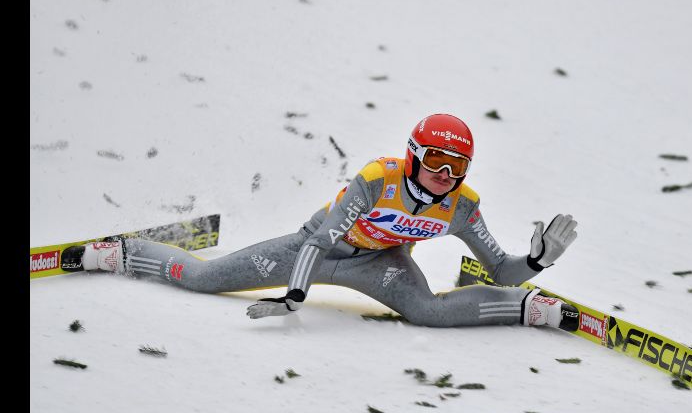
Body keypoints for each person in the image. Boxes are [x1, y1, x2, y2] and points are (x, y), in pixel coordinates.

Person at [62, 114, 579, 330]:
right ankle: (127, 252)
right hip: (314, 252)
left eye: (457, 167)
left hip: (380, 267)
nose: (446, 175)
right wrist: (294, 297)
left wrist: (535, 262)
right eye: (436, 161)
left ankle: (527, 313)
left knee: (426, 312)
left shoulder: (462, 206)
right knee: (201, 280)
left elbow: (500, 269)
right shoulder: (378, 179)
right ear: (413, 155)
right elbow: (321, 240)